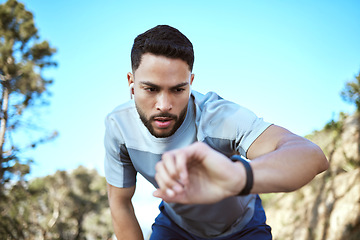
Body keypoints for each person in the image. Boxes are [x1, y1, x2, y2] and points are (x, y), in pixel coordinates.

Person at [104, 25, 329, 240]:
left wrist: (237, 178)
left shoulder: (219, 118)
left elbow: (312, 156)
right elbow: (120, 202)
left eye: (178, 89)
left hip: (243, 228)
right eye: (151, 89)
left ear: (191, 83)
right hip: (175, 227)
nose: (164, 104)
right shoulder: (119, 127)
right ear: (131, 83)